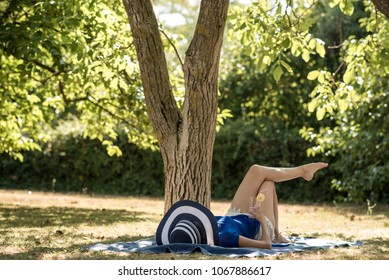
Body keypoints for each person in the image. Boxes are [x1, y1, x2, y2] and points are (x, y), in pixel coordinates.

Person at [156, 162, 328, 249]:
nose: (195, 221)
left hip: (234, 215)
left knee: (256, 170)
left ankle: (303, 171)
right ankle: (276, 233)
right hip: (257, 225)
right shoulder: (225, 237)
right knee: (268, 183)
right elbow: (266, 246)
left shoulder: (205, 226)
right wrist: (260, 218)